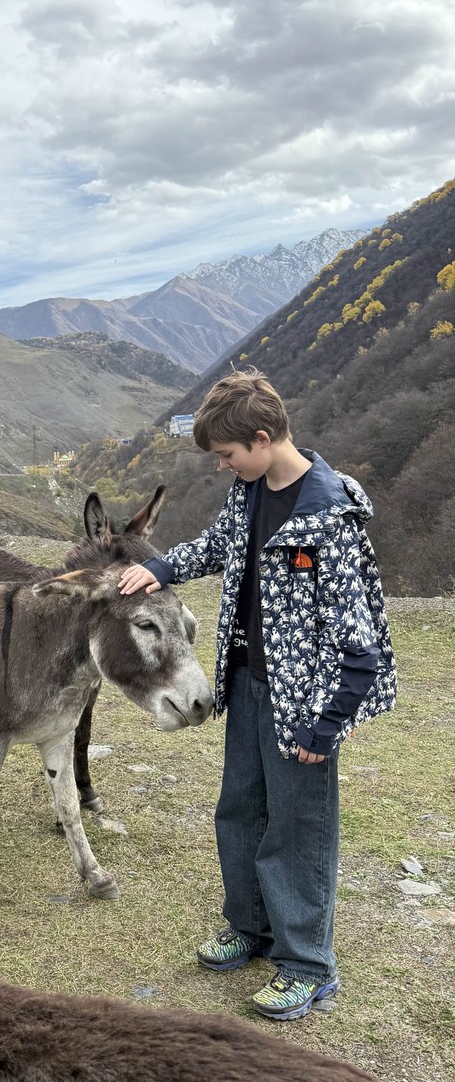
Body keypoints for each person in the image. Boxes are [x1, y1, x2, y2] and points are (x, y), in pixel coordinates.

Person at [118, 369, 396, 1020]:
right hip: (245, 682)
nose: (221, 467)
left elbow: (364, 641)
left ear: (262, 438)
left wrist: (327, 725)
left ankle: (305, 964)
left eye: (226, 455)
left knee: (298, 829)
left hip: (305, 707)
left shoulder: (331, 513)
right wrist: (157, 567)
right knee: (239, 807)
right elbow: (220, 545)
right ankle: (249, 926)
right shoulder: (249, 492)